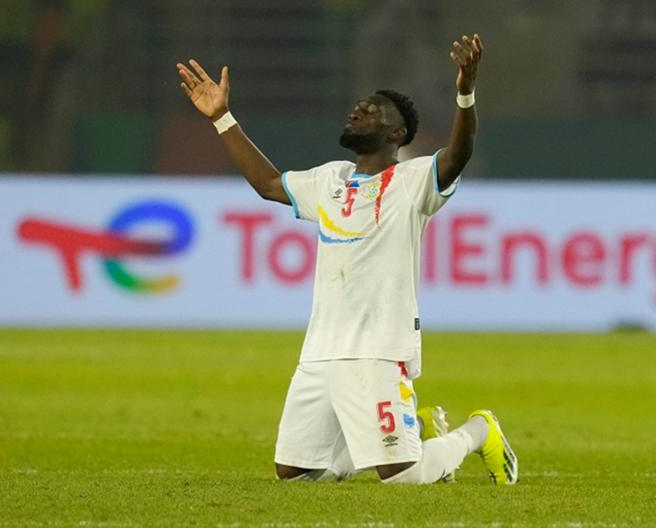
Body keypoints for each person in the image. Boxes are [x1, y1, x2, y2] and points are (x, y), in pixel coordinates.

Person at [176, 34, 517, 485]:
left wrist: (465, 94)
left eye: (372, 110)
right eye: (357, 107)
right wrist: (222, 118)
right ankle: (409, 430)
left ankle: (478, 431)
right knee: (295, 476)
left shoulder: (413, 181)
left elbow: (458, 156)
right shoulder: (329, 180)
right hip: (321, 349)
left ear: (396, 133)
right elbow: (268, 184)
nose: (357, 111)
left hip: (379, 350)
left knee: (402, 477)